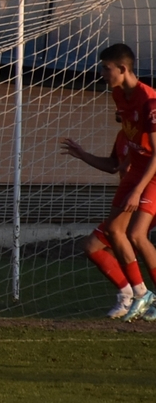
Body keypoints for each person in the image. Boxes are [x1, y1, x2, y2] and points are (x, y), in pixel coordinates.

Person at [60, 114, 151, 319]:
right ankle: (132, 295)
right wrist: (83, 155)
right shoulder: (123, 136)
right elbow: (113, 165)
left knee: (103, 244)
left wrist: (137, 187)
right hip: (128, 200)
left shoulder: (146, 135)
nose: (118, 108)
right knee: (107, 247)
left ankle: (134, 295)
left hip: (142, 201)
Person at [98, 43, 156, 322]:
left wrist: (137, 188)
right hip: (136, 169)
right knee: (113, 230)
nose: (103, 73)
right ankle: (142, 292)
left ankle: (145, 293)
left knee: (136, 235)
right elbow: (130, 134)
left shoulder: (150, 101)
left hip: (153, 173)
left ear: (123, 68)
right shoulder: (117, 93)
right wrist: (126, 165)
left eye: (106, 68)